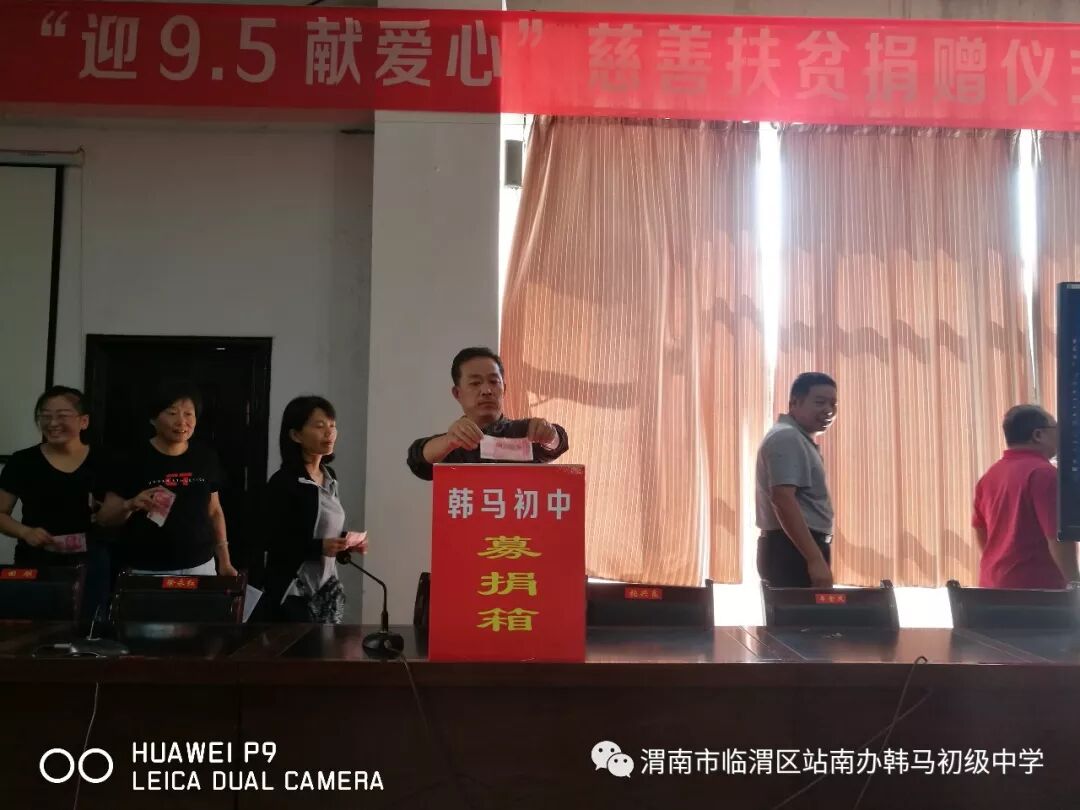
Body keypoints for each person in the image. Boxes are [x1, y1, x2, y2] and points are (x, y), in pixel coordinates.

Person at [98, 381, 237, 577]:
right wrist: (130, 504)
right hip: (147, 569)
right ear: (153, 419)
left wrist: (225, 561)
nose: (181, 422)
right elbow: (104, 518)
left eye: (188, 414)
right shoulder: (131, 459)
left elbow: (214, 511)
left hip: (200, 565)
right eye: (172, 413)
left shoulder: (205, 457)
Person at [0, 386, 111, 618]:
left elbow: (116, 513)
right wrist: (25, 532)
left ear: (84, 421)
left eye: (62, 415)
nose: (52, 423)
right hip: (37, 561)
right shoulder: (23, 461)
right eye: (45, 416)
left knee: (88, 627)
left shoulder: (104, 460)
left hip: (91, 562)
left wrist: (118, 510)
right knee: (35, 628)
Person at [263, 395, 368, 623]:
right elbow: (272, 540)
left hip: (326, 591)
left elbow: (318, 528)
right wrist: (320, 547)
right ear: (296, 435)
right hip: (294, 593)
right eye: (320, 426)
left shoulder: (330, 477)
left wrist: (344, 542)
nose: (329, 432)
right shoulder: (284, 482)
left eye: (332, 425)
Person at [406, 347, 569, 481]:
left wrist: (550, 435)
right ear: (457, 393)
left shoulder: (525, 432)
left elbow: (558, 444)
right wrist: (449, 440)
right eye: (475, 383)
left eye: (493, 381)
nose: (486, 390)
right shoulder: (451, 445)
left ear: (504, 389)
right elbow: (418, 461)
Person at [973, 405, 1077, 589]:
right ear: (1038, 435)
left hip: (992, 587)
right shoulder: (1045, 475)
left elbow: (981, 530)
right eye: (1056, 428)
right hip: (1036, 591)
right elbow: (1058, 538)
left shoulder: (990, 476)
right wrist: (1076, 585)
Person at [756, 372, 838, 588]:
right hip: (791, 550)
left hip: (795, 547)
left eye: (833, 404)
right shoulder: (787, 437)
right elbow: (782, 499)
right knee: (801, 611)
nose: (828, 410)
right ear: (794, 403)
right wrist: (814, 559)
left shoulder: (797, 437)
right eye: (819, 402)